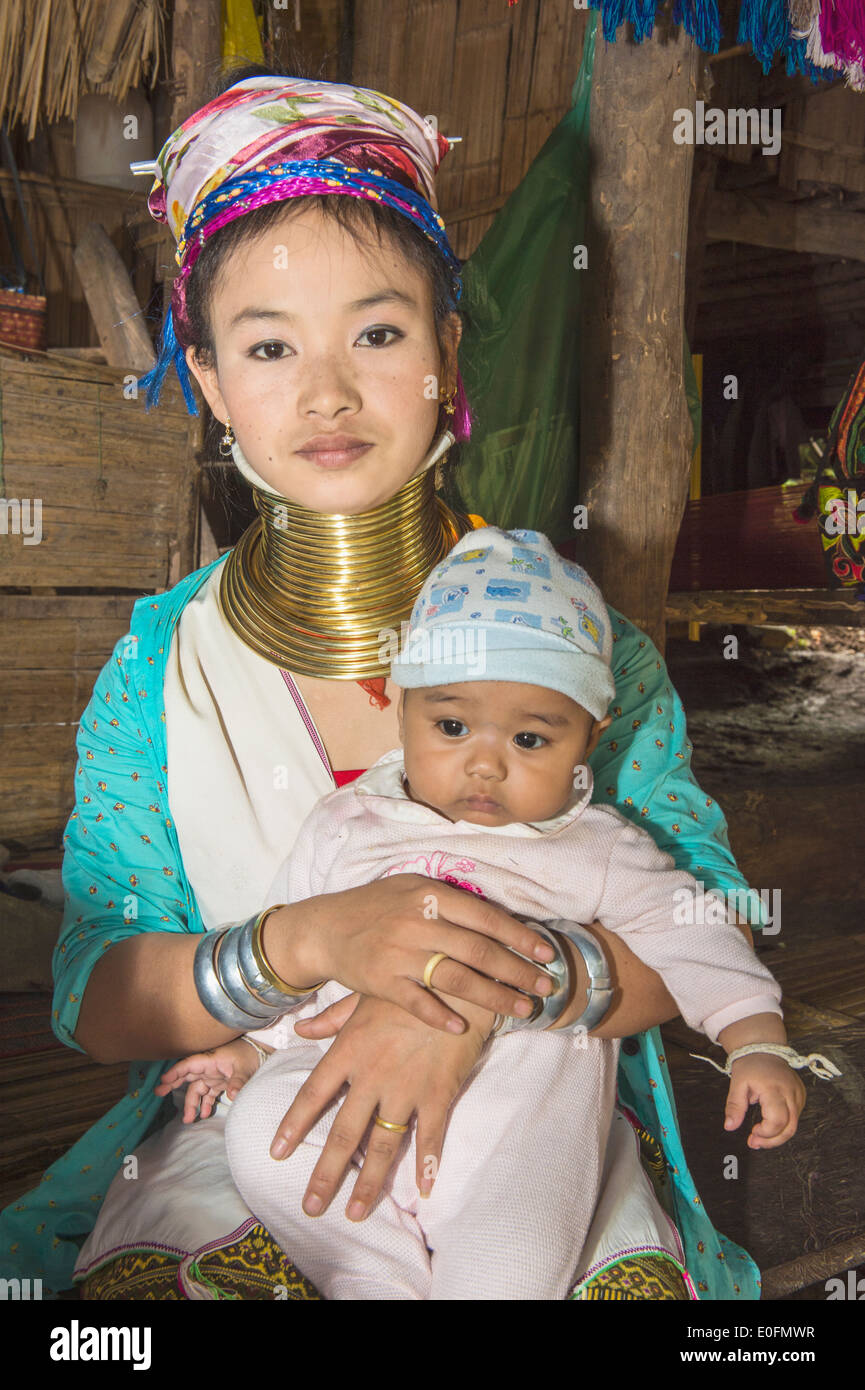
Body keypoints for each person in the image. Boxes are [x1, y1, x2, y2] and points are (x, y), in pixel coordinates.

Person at [1, 66, 769, 1301]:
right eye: (265, 345)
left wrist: (468, 999)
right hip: (260, 1114)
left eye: (377, 331)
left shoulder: (581, 651)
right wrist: (307, 941)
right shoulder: (167, 667)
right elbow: (99, 989)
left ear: (446, 350)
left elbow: (703, 922)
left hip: (539, 1115)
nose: (325, 392)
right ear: (204, 382)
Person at [155, 526, 822, 1300]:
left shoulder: (599, 846)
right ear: (401, 707)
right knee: (264, 1132)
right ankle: (373, 1279)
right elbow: (302, 948)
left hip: (519, 1132)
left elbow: (695, 930)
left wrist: (754, 1041)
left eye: (531, 737)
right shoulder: (348, 824)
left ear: (588, 740)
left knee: (510, 1265)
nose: (484, 761)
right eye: (450, 726)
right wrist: (250, 1053)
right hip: (350, 1092)